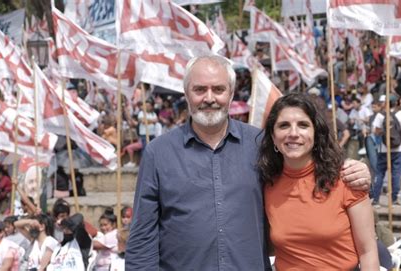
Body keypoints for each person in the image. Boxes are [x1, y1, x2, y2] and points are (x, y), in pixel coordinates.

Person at [126, 55, 372, 270]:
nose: (209, 98)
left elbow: (304, 167)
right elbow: (142, 238)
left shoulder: (260, 144)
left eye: (218, 89)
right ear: (186, 93)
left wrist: (355, 169)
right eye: (200, 89)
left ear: (231, 94)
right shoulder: (159, 153)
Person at [258, 93, 379, 270]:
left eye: (303, 125)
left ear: (316, 133)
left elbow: (368, 252)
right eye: (284, 126)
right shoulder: (266, 184)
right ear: (273, 136)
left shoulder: (347, 178)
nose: (293, 133)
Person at [371, 94, 401, 207]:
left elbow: (376, 132)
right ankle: (394, 200)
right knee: (396, 174)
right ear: (396, 103)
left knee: (379, 174)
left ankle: (376, 200)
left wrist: (385, 130)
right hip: (399, 149)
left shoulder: (380, 115)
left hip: (383, 149)